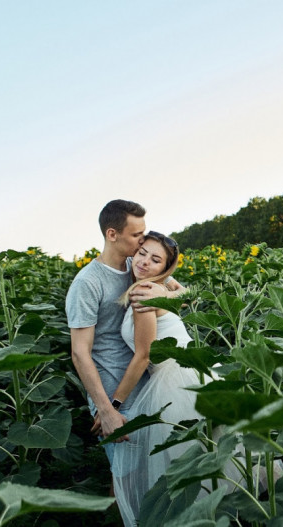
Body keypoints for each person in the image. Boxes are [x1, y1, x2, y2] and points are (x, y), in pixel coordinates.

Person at [65, 200, 182, 516]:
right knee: (126, 476)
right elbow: (80, 352)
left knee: (155, 473)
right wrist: (107, 409)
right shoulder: (88, 283)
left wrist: (165, 296)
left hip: (148, 387)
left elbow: (180, 289)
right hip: (114, 394)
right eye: (136, 235)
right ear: (112, 234)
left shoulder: (137, 266)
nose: (142, 242)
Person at [109, 231, 217, 525]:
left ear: (164, 269)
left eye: (155, 260)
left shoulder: (144, 292)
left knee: (184, 469)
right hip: (190, 373)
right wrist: (173, 293)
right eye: (143, 253)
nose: (144, 262)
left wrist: (114, 404)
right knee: (202, 460)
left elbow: (142, 356)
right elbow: (183, 292)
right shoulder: (156, 288)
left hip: (175, 381)